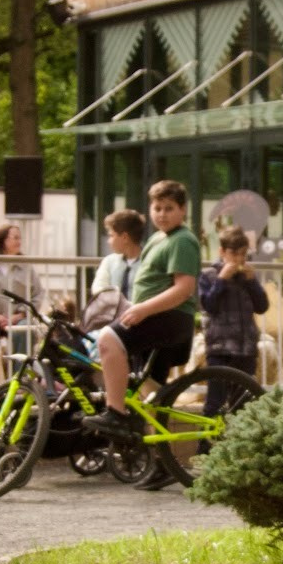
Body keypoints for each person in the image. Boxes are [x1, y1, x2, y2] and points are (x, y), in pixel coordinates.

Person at [84, 179, 198, 438]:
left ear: (182, 210)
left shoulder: (182, 240)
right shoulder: (158, 239)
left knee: (108, 340)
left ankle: (115, 413)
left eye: (169, 208)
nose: (162, 214)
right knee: (149, 394)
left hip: (170, 318)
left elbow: (183, 289)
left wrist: (143, 310)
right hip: (155, 316)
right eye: (157, 208)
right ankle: (157, 458)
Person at [197, 224, 270, 399]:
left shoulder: (247, 277)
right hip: (219, 348)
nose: (238, 259)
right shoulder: (208, 276)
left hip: (246, 349)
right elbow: (208, 306)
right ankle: (213, 427)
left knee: (243, 402)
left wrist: (253, 282)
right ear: (222, 252)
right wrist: (222, 279)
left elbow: (262, 307)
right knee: (216, 401)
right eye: (234, 254)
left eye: (243, 255)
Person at [85, 208, 143, 331]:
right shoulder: (109, 262)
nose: (108, 241)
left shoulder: (148, 263)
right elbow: (99, 291)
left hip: (139, 320)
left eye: (111, 235)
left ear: (125, 237)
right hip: (110, 321)